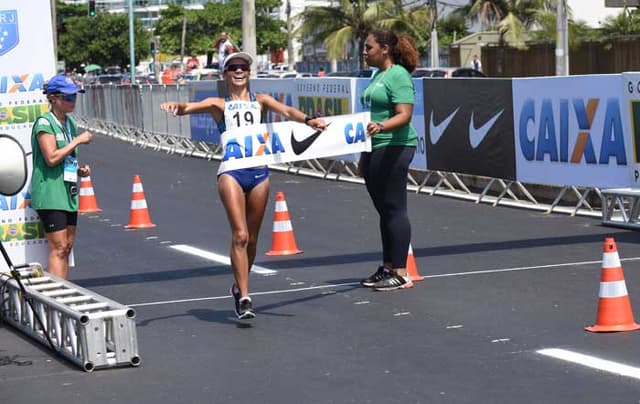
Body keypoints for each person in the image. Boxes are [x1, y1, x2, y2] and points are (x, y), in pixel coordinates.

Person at [160, 52, 326, 320]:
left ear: (249, 73)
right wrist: (176, 106)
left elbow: (287, 111)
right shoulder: (219, 104)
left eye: (244, 67)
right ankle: (246, 297)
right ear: (225, 75)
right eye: (234, 67)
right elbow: (188, 107)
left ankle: (238, 286)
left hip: (259, 172)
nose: (239, 71)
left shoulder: (261, 101)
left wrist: (308, 120)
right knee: (239, 235)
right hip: (231, 173)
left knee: (252, 238)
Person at [359, 29, 419, 291]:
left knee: (395, 208)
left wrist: (382, 127)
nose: (364, 51)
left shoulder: (398, 75)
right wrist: (363, 155)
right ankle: (387, 267)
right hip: (375, 147)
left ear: (384, 49)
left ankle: (402, 272)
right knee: (384, 210)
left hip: (396, 145)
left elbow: (404, 114)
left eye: (368, 47)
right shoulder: (377, 75)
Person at [30, 74, 93, 279]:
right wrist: (77, 142)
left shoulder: (70, 123)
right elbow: (51, 158)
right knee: (58, 247)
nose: (72, 101)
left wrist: (79, 170)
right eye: (68, 97)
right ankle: (55, 300)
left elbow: (67, 159)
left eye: (74, 97)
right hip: (50, 193)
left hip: (67, 192)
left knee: (67, 247)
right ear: (54, 98)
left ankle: (63, 295)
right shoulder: (45, 123)